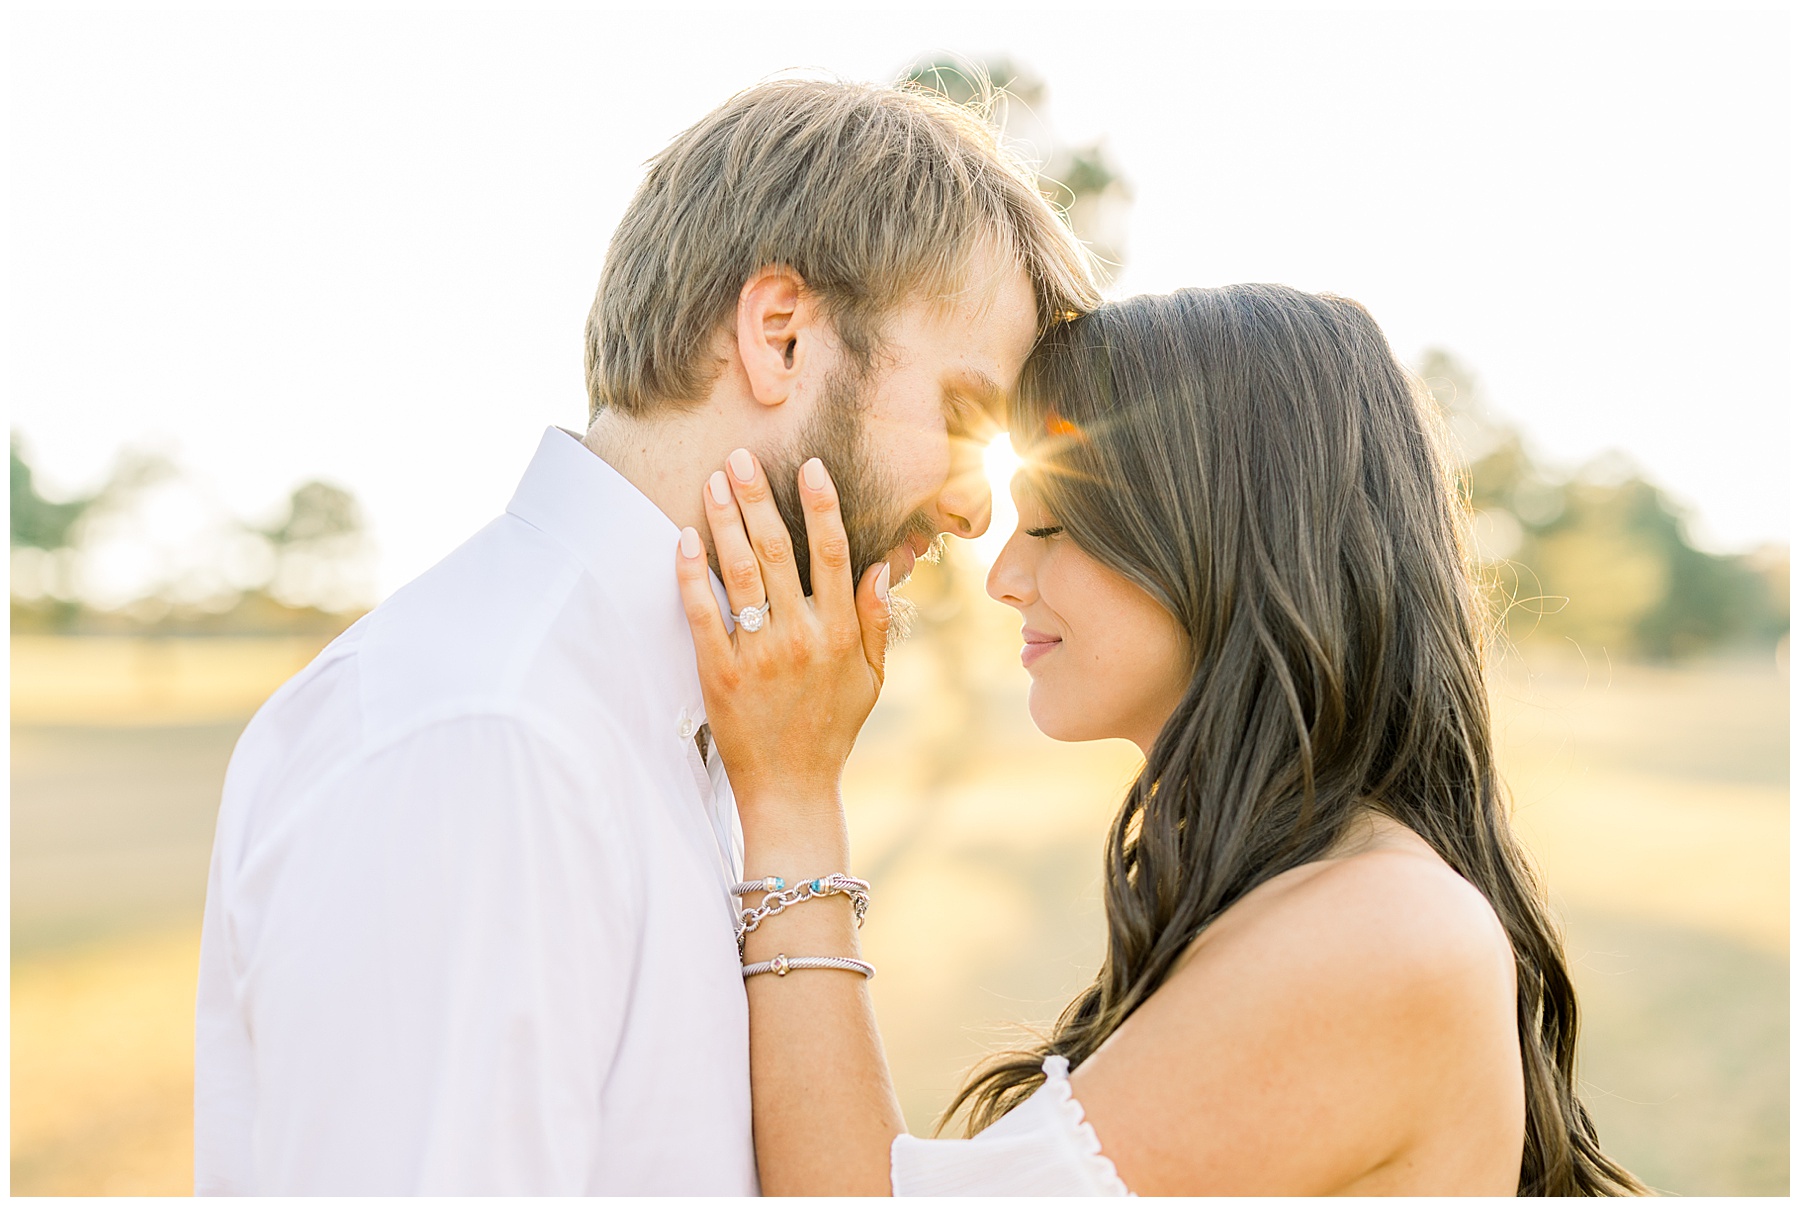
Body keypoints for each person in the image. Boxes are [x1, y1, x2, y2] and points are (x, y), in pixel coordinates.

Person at [193, 78, 1098, 1194]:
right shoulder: (488, 735)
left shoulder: (698, 725)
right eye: (962, 418)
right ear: (779, 337)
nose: (972, 511)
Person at [677, 284, 1647, 1195]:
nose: (1004, 576)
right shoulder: (1300, 890)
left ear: (1221, 538)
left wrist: (796, 801)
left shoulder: (1387, 926)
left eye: (1053, 524)